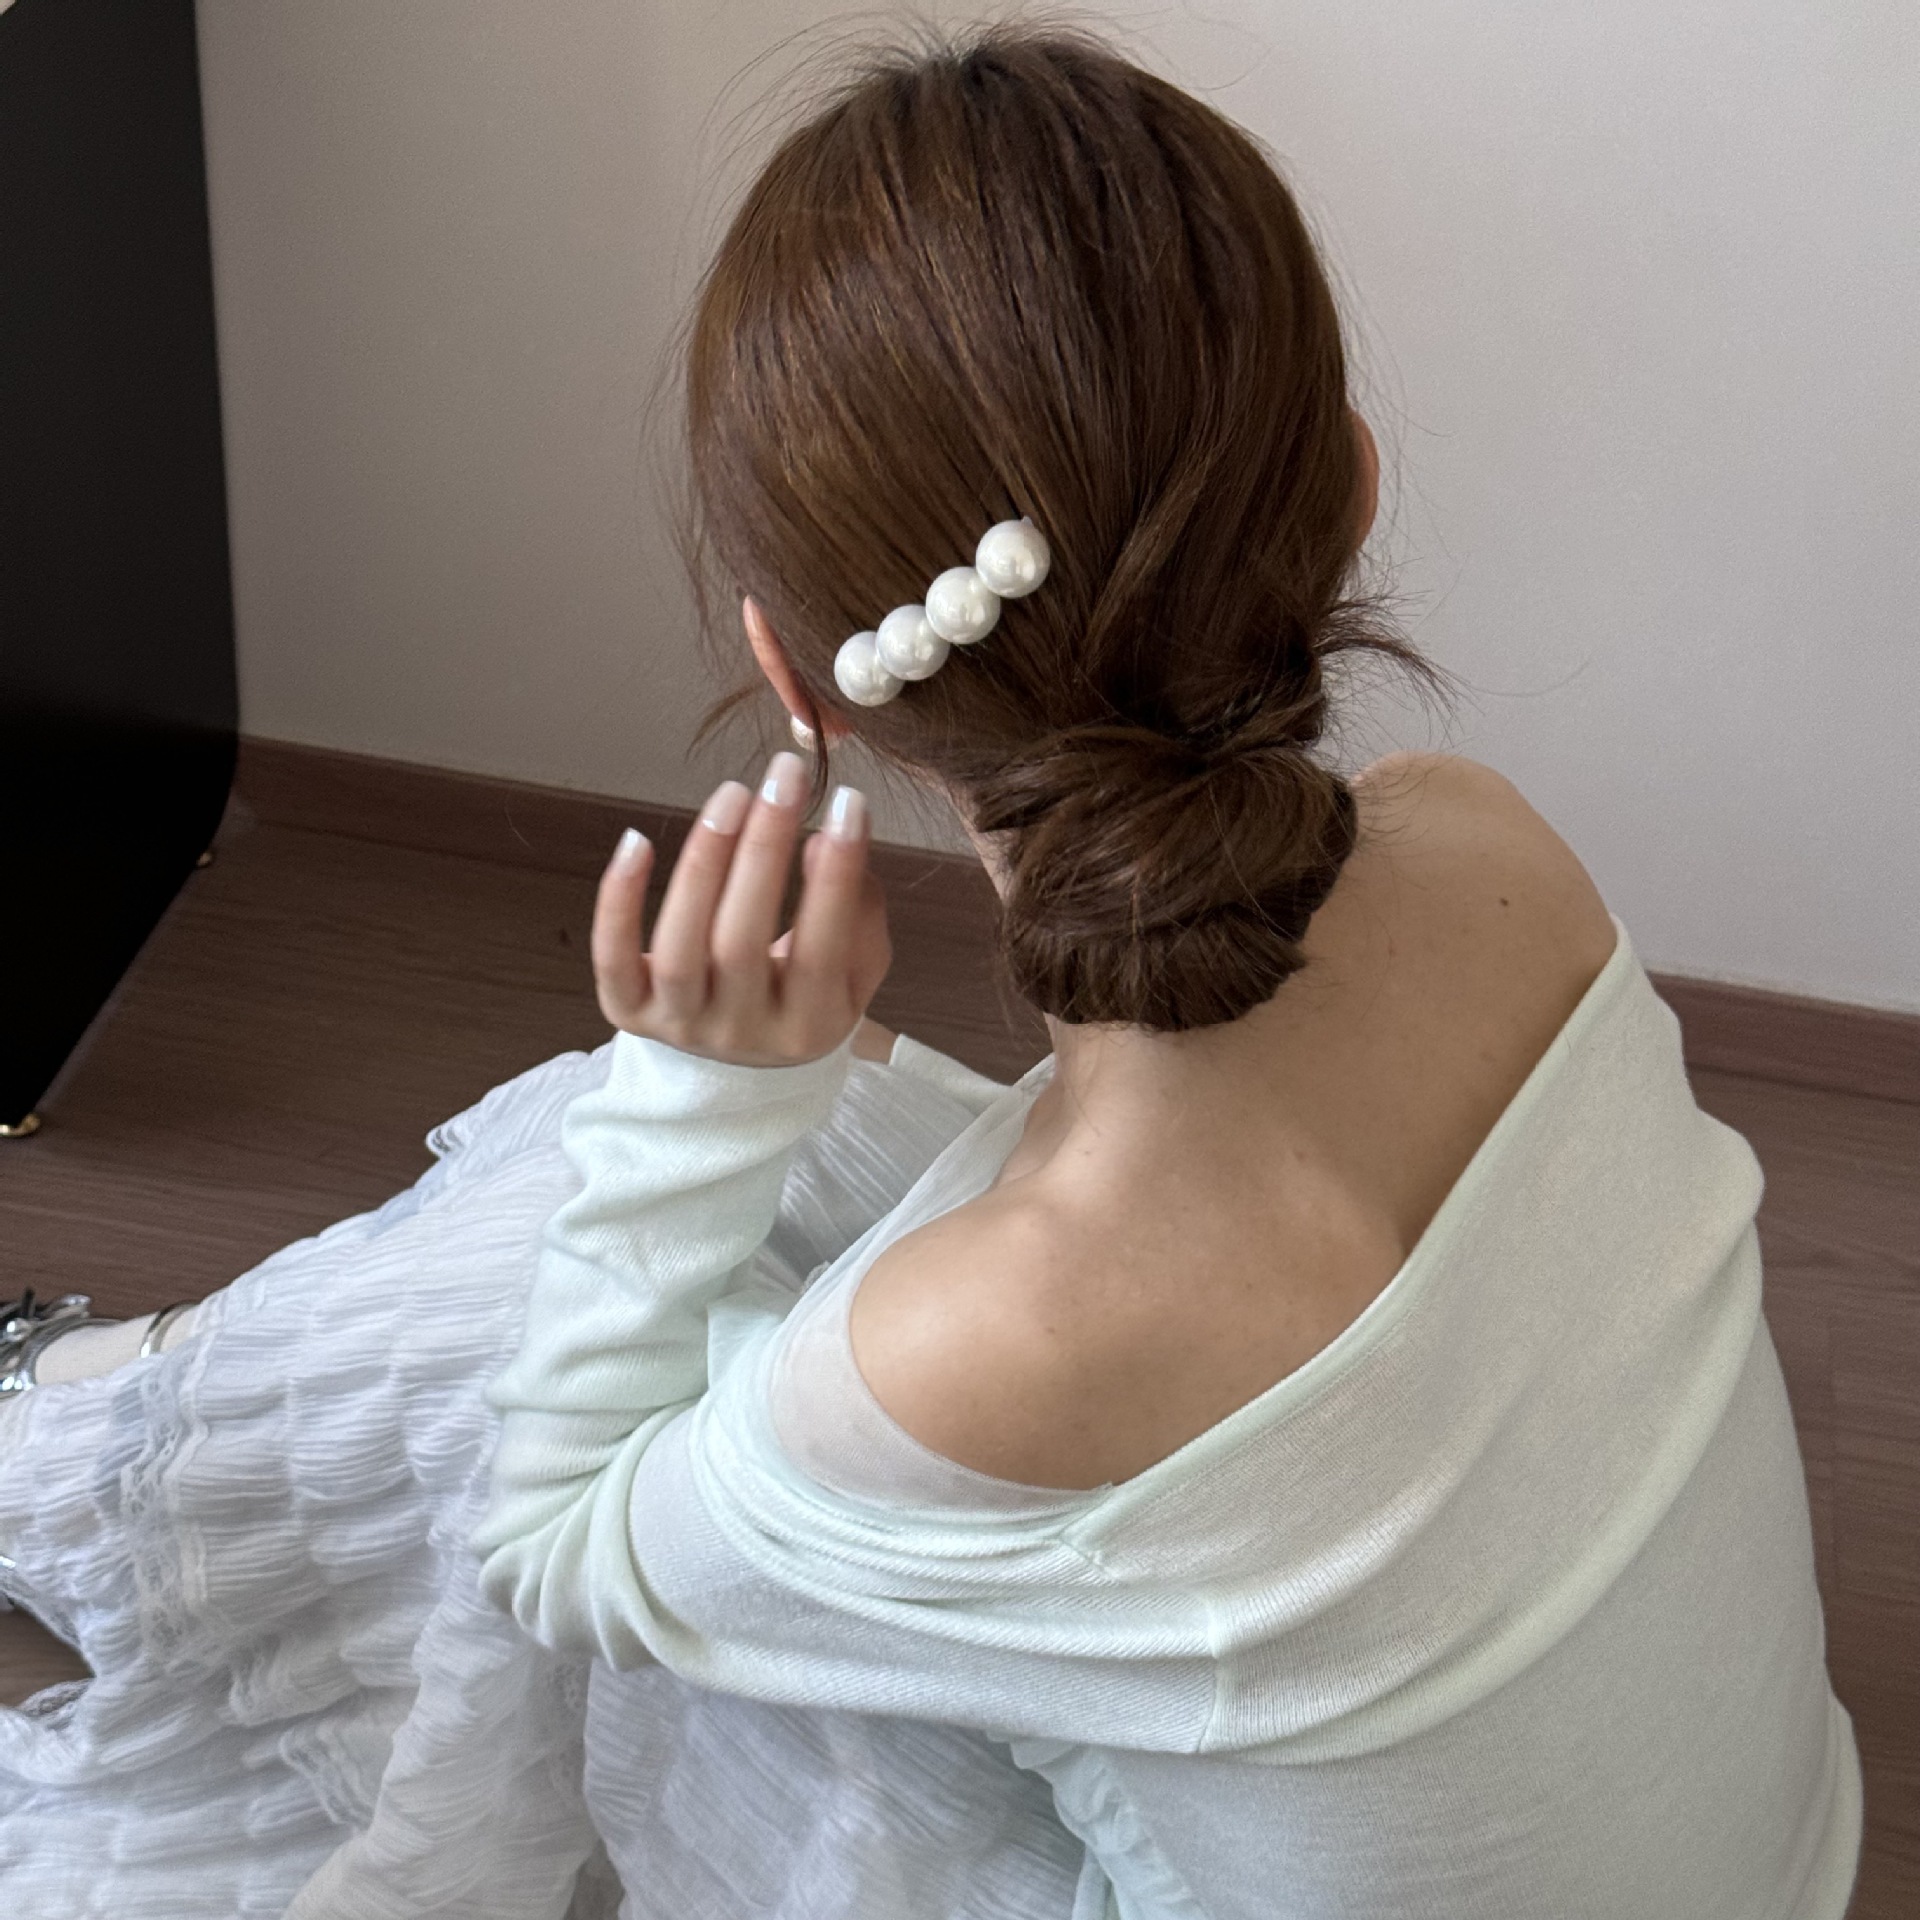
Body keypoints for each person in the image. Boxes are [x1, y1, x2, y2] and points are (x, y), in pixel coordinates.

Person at [0, 25, 1860, 1919]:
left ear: (789, 669)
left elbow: (552, 1563)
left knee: (574, 1229)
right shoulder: (1487, 848)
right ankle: (86, 1412)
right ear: (1353, 487)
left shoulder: (1008, 1331)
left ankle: (71, 1425)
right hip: (1783, 1861)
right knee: (766, 1178)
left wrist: (696, 1102)